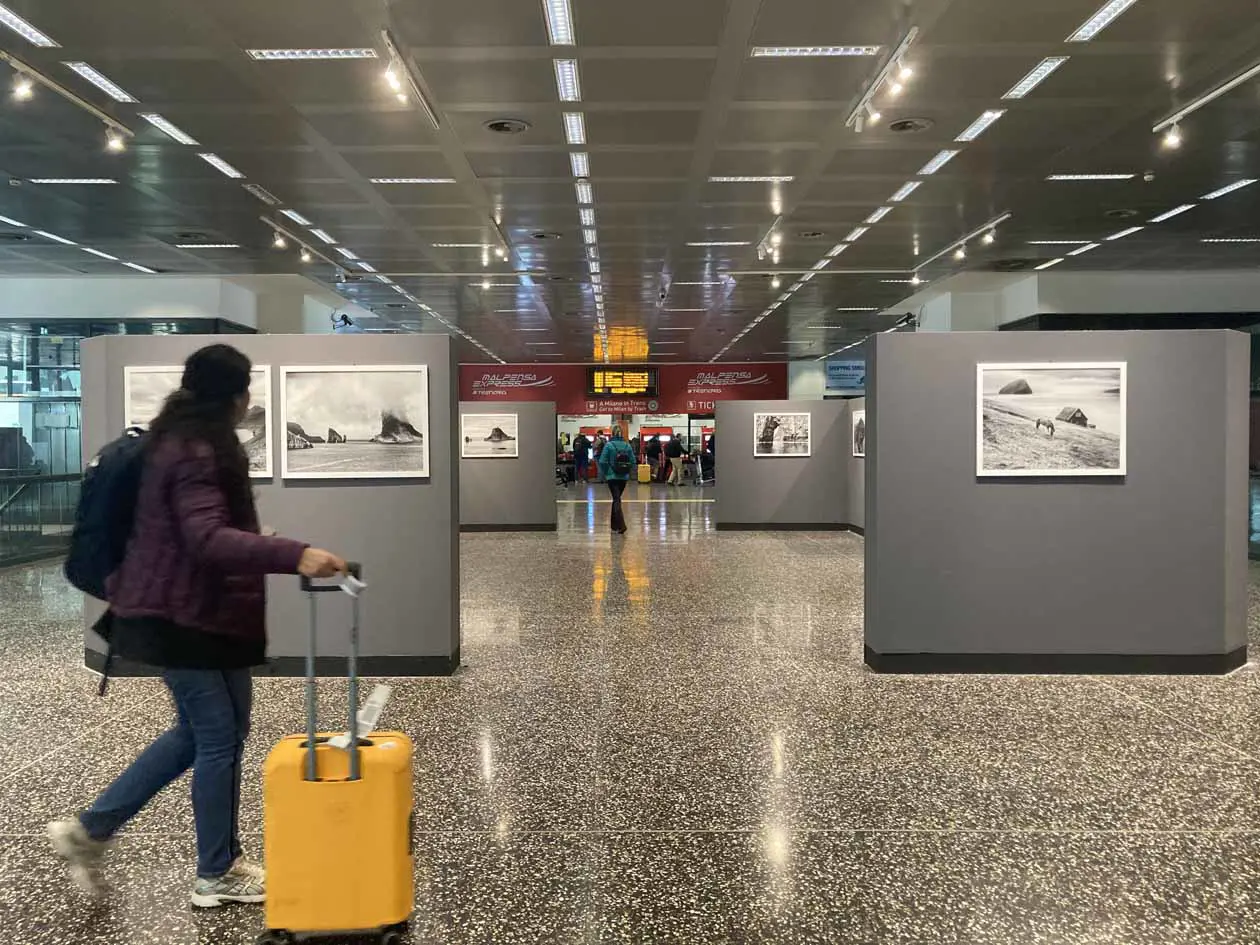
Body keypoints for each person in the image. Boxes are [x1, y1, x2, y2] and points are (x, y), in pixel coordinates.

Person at [47, 344, 347, 908]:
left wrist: (257, 542)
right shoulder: (195, 448)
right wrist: (294, 553)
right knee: (215, 738)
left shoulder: (183, 437)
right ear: (234, 395)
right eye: (246, 388)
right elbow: (206, 538)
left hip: (201, 611)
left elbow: (193, 532)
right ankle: (216, 871)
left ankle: (91, 831)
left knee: (210, 734)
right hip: (181, 617)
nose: (249, 398)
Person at [598, 429, 636, 534]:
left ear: (612, 434)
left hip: (612, 477)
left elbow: (602, 461)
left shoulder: (609, 445)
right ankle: (614, 525)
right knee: (617, 498)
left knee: (616, 499)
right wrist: (626, 471)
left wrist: (607, 473)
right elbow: (633, 461)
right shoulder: (627, 446)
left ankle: (621, 525)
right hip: (623, 477)